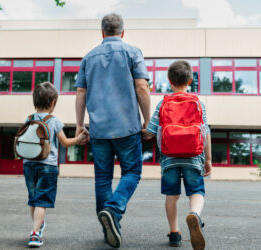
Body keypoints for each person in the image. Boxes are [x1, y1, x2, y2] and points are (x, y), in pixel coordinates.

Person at [74, 13, 151, 248]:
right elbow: (142, 87)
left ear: (102, 32)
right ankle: (114, 211)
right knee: (132, 173)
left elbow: (80, 93)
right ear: (123, 32)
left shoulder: (88, 57)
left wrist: (80, 125)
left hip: (98, 130)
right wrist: (148, 120)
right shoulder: (133, 53)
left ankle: (108, 224)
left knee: (103, 178)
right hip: (127, 127)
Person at [142, 61, 212, 250]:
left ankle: (174, 233)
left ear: (170, 81)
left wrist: (144, 130)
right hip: (193, 156)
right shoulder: (198, 102)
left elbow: (150, 131)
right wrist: (208, 160)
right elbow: (205, 132)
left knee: (172, 195)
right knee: (196, 191)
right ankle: (194, 215)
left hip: (169, 158)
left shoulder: (163, 102)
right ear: (190, 80)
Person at [23, 82, 88, 247]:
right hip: (48, 166)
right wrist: (79, 139)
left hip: (29, 164)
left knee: (33, 199)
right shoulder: (54, 121)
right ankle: (35, 234)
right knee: (41, 201)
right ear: (52, 103)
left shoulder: (29, 119)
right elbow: (65, 143)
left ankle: (36, 226)